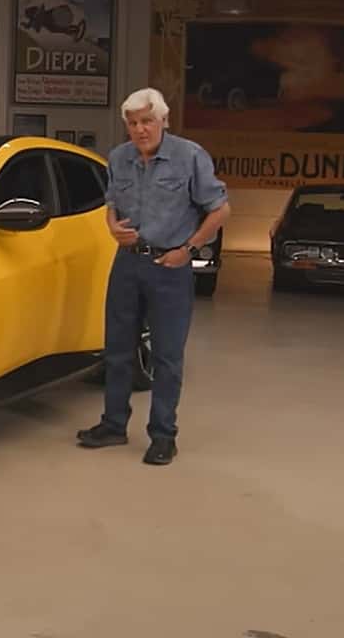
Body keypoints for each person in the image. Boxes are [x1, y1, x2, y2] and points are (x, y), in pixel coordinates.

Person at [76, 87, 230, 465]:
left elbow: (220, 211)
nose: (140, 130)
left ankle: (163, 436)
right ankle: (113, 425)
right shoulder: (119, 158)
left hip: (170, 267)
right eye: (132, 123)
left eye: (147, 121)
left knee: (167, 356)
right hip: (127, 263)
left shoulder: (189, 156)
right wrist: (112, 227)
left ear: (164, 120)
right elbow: (111, 204)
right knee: (116, 350)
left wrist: (188, 251)